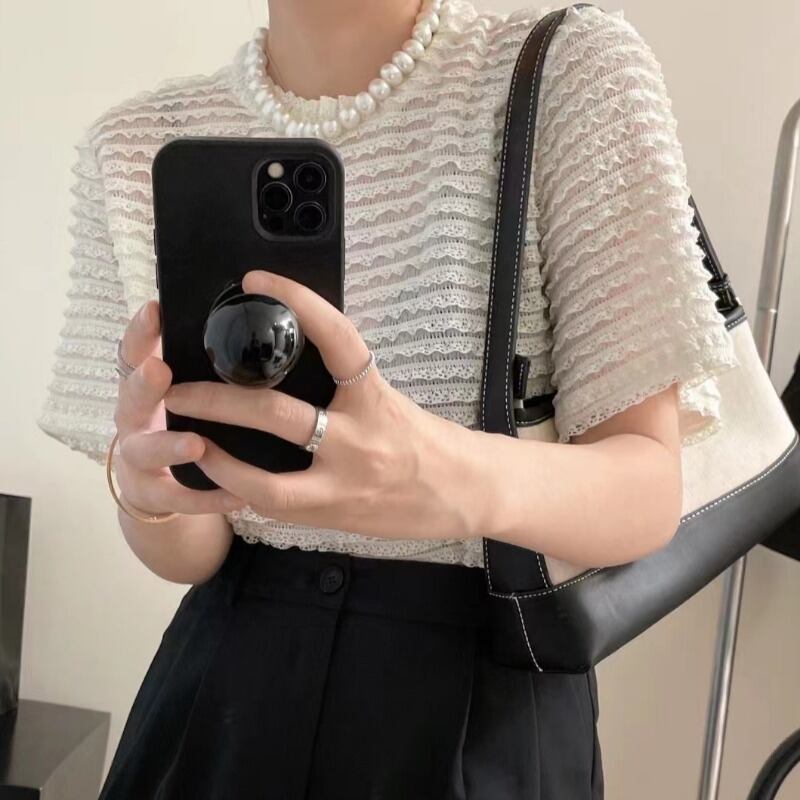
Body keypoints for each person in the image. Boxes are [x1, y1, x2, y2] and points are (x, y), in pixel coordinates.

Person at [37, 0, 740, 797]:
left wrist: (440, 474)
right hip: (225, 693)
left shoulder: (568, 72)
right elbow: (194, 556)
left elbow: (647, 492)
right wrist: (152, 493)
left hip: (481, 701)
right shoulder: (138, 145)